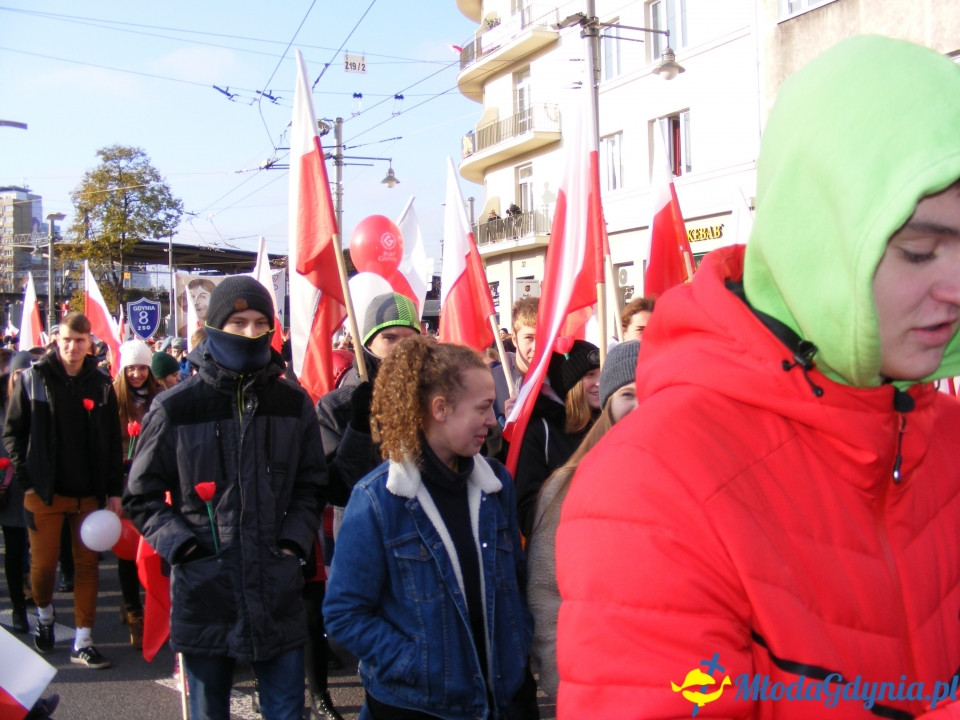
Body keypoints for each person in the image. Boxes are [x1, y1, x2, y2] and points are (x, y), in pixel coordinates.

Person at [556, 36, 960, 720]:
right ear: (821, 237)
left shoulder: (940, 434)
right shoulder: (652, 484)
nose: (955, 287)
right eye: (919, 250)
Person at [124, 275, 326, 720]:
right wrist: (185, 547)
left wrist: (292, 544)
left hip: (276, 588)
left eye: (260, 323)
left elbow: (311, 484)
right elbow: (141, 496)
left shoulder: (294, 403)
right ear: (215, 326)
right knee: (207, 712)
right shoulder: (176, 406)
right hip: (204, 591)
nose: (251, 333)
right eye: (238, 323)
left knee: (288, 712)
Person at [323, 335, 532, 720]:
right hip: (415, 707)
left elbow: (515, 584)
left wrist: (519, 653)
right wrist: (416, 662)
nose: (493, 419)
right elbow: (344, 613)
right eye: (483, 407)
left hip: (503, 698)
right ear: (440, 409)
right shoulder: (378, 499)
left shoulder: (496, 486)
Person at [2, 312, 123, 668]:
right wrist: (27, 477)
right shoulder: (34, 378)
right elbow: (13, 433)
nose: (72, 347)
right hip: (44, 493)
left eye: (80, 341)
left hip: (88, 494)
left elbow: (114, 443)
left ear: (90, 345)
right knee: (43, 568)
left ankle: (84, 639)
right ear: (57, 339)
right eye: (67, 340)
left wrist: (113, 491)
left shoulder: (101, 384)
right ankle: (45, 616)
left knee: (87, 566)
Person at [525, 340, 639, 700]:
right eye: (628, 394)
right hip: (599, 684)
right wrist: (567, 683)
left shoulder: (693, 477)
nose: (641, 405)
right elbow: (546, 595)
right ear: (608, 404)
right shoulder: (567, 485)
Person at [514, 339, 600, 538]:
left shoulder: (610, 422)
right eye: (590, 375)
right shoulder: (540, 430)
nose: (600, 381)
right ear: (569, 382)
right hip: (562, 554)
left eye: (602, 372)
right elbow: (527, 512)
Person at [113, 339, 160, 647]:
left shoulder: (159, 398)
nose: (137, 374)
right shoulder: (113, 401)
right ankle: (132, 609)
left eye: (142, 368)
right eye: (131, 368)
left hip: (153, 482)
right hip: (123, 484)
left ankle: (153, 603)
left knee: (152, 547)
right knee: (128, 550)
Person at [0, 351, 35, 634]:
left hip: (21, 487)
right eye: (17, 373)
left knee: (17, 548)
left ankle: (19, 608)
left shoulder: (38, 404)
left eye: (27, 373)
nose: (22, 378)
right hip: (3, 482)